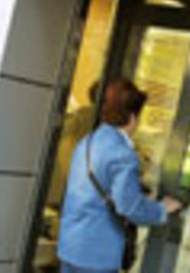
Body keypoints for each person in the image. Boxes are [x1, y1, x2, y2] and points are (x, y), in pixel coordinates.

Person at [58, 78, 182, 273]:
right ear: (132, 118)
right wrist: (161, 210)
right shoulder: (123, 154)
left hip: (70, 245)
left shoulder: (87, 142)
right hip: (96, 256)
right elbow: (129, 207)